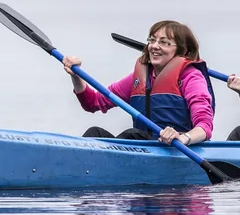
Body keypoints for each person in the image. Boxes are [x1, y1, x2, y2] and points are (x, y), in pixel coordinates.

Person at [61, 20, 214, 146]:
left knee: (132, 135)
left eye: (164, 42)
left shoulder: (191, 77)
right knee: (95, 133)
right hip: (144, 147)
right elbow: (93, 103)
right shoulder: (140, 77)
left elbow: (204, 126)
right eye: (152, 40)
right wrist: (76, 76)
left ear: (183, 51)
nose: (154, 46)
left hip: (177, 148)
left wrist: (184, 138)